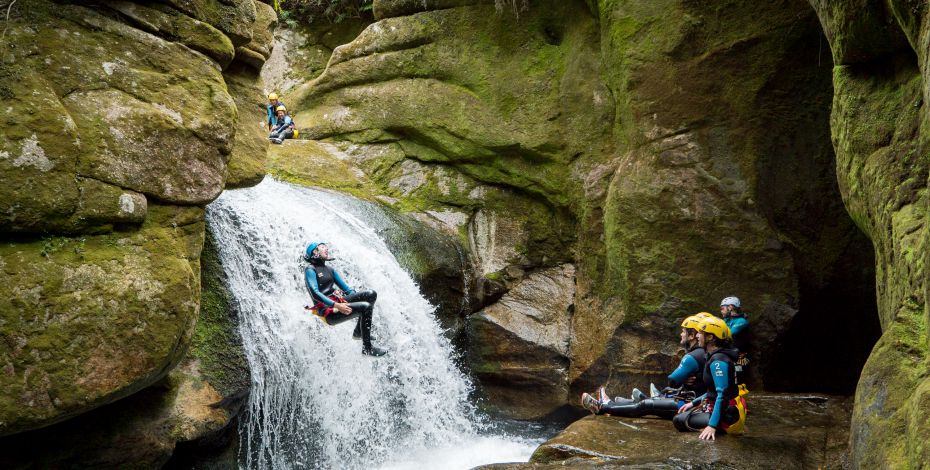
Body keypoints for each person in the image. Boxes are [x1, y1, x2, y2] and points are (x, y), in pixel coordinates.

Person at [580, 313, 711, 419]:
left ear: (692, 335)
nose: (681, 334)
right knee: (647, 403)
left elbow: (672, 381)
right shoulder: (705, 353)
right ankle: (611, 403)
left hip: (690, 404)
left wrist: (682, 380)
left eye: (684, 331)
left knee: (646, 405)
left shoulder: (693, 356)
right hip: (692, 400)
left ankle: (603, 407)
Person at [303, 242, 387, 356]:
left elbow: (348, 290)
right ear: (315, 252)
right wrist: (337, 305)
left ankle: (358, 332)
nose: (326, 248)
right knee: (365, 307)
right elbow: (315, 294)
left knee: (371, 294)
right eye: (322, 247)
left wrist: (354, 297)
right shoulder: (310, 270)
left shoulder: (329, 269)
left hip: (337, 303)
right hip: (328, 312)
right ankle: (367, 348)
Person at [673, 315, 748, 439]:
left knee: (679, 420)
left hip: (728, 415)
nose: (697, 336)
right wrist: (692, 403)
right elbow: (712, 391)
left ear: (710, 337)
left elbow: (722, 394)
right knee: (683, 413)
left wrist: (712, 426)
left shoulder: (718, 361)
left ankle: (720, 428)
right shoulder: (716, 356)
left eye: (700, 333)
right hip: (726, 410)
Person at [719, 296, 750, 385]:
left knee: (738, 383)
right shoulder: (726, 320)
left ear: (731, 307)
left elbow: (728, 334)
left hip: (740, 358)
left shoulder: (742, 321)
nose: (721, 311)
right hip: (729, 354)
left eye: (722, 308)